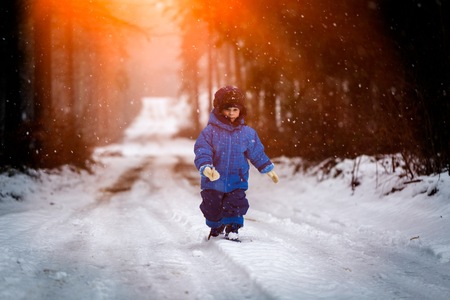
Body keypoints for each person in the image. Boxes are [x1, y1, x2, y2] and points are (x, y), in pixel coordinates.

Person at [194, 86, 279, 241]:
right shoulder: (210, 132)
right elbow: (202, 150)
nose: (232, 113)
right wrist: (206, 166)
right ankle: (216, 225)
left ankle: (233, 229)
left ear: (241, 111)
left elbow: (256, 152)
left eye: (235, 109)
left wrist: (266, 167)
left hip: (237, 179)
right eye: (227, 109)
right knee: (212, 208)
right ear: (220, 110)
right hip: (213, 181)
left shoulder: (247, 133)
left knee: (236, 205)